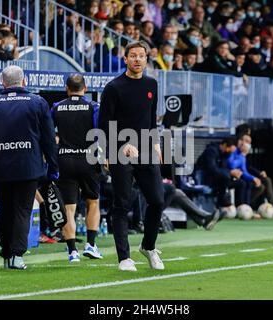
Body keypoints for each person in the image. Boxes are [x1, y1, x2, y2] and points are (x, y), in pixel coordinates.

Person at [0, 65, 58, 270]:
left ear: (2, 83)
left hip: (2, 166)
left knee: (6, 210)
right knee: (23, 209)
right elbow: (49, 139)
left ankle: (6, 253)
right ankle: (17, 255)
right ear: (24, 81)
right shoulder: (38, 102)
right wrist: (53, 166)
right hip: (29, 166)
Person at [98, 40, 165, 272]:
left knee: (157, 200)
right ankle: (124, 258)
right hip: (120, 151)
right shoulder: (114, 87)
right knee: (122, 204)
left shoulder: (152, 84)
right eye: (133, 56)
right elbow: (103, 124)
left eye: (141, 56)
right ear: (125, 59)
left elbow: (151, 118)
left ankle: (148, 247)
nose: (137, 59)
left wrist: (155, 143)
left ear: (147, 59)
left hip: (146, 148)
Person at [51, 74, 103, 263]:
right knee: (93, 202)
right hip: (88, 159)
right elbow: (99, 133)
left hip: (64, 159)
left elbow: (49, 134)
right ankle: (90, 245)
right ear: (85, 88)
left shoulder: (57, 107)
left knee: (68, 208)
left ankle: (73, 252)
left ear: (67, 88)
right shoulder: (93, 107)